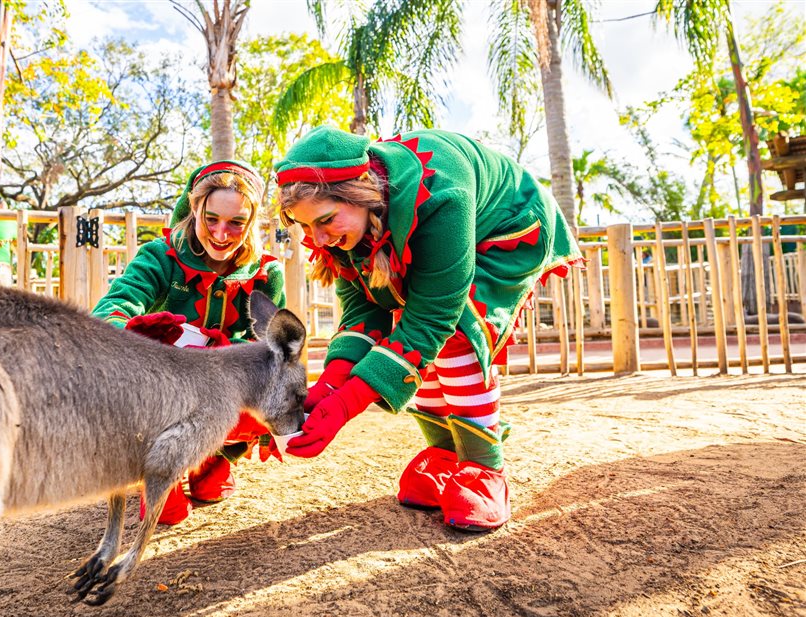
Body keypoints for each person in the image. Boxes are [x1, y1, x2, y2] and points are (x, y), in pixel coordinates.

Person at [276, 127, 583, 531]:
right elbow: (361, 313)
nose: (318, 239)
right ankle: (444, 456)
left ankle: (483, 468)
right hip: (449, 228)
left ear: (361, 194)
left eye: (326, 220)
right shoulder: (343, 232)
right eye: (305, 228)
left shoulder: (441, 194)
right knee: (410, 329)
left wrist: (347, 404)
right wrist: (330, 387)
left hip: (508, 225)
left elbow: (432, 319)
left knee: (451, 330)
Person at [92, 160, 286, 525]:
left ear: (252, 221)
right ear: (194, 208)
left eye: (236, 222)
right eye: (210, 218)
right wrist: (131, 333)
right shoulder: (159, 255)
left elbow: (274, 346)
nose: (221, 233)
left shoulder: (266, 273)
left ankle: (213, 460)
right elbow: (114, 307)